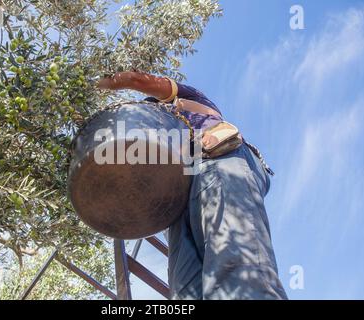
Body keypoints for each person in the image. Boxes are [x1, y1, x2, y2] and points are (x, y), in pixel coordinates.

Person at [97, 71, 288, 300]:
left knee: (236, 267)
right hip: (179, 200)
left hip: (216, 159)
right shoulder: (162, 148)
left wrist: (103, 81)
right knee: (184, 291)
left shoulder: (190, 100)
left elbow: (137, 80)